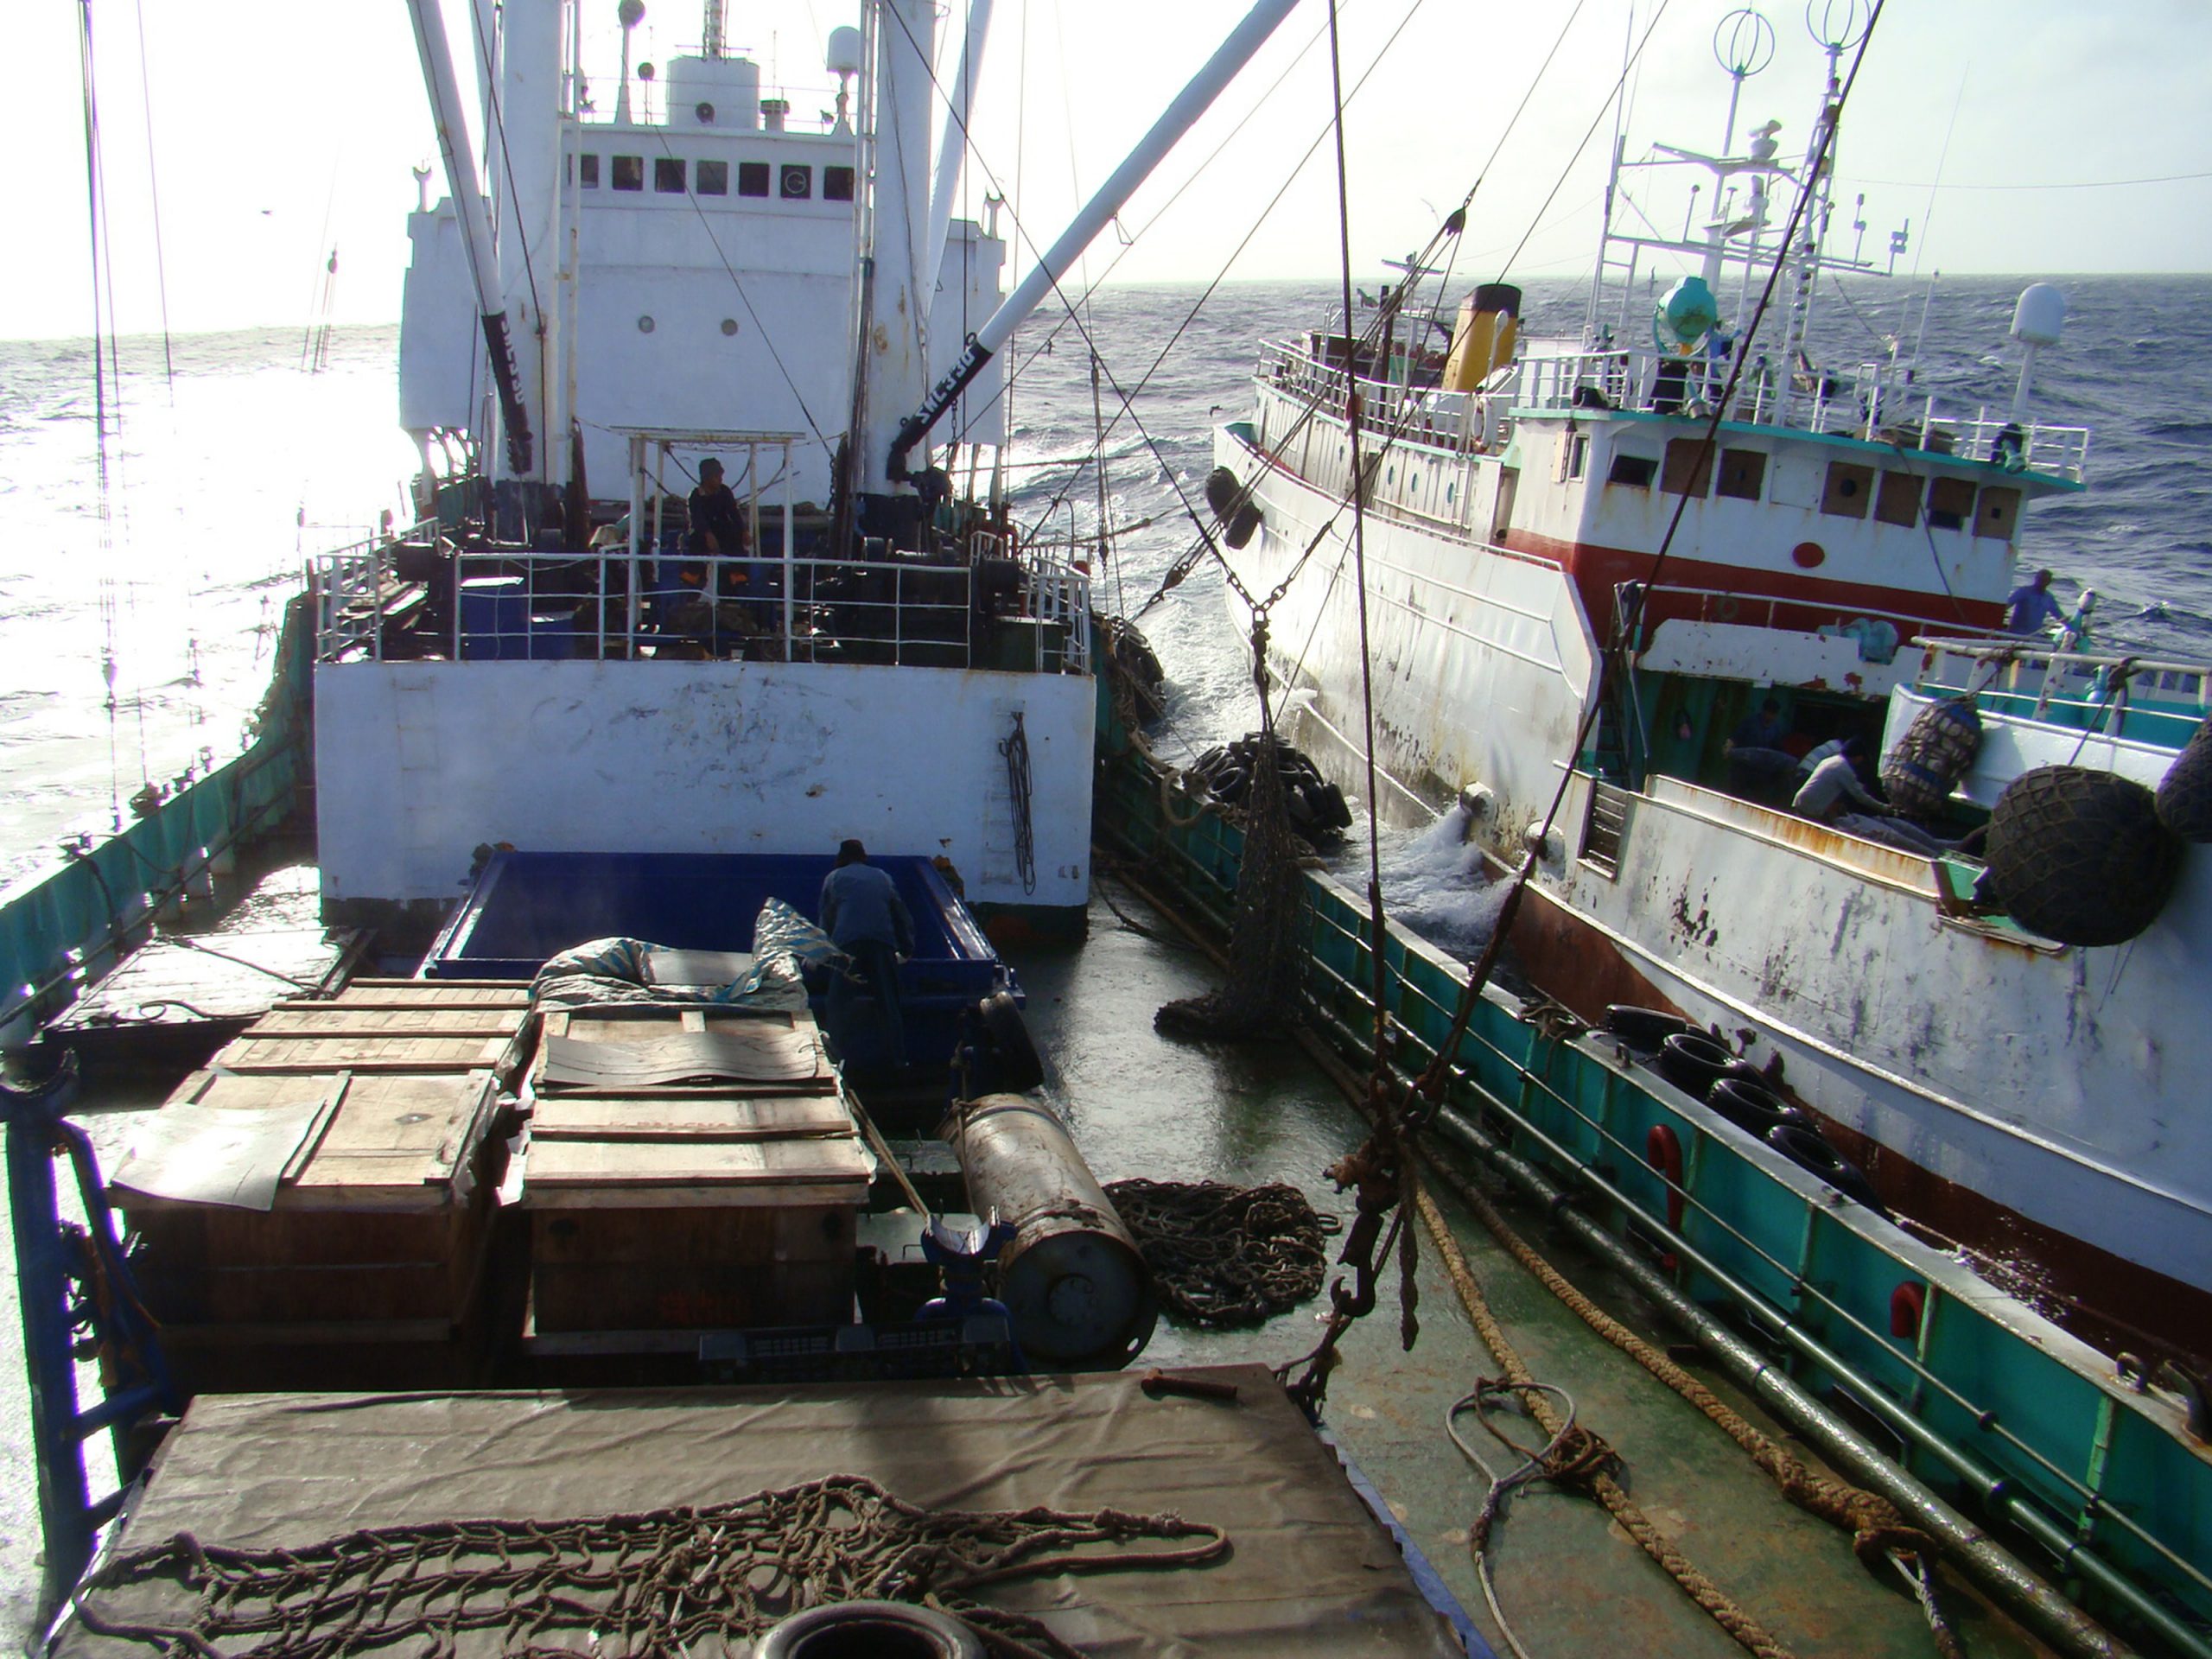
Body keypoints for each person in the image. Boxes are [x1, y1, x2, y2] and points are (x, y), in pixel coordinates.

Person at [818, 839, 914, 1065]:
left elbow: (826, 919)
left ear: (841, 857)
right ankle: (898, 1061)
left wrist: (823, 952)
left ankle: (836, 1060)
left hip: (848, 946)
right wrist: (906, 950)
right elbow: (901, 915)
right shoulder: (883, 877)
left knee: (837, 1003)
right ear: (864, 856)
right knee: (889, 1003)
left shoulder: (834, 879)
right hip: (882, 944)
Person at [1791, 739, 1958, 857]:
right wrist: (1885, 809)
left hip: (1801, 804)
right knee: (1889, 835)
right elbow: (1861, 797)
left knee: (1895, 829)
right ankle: (1935, 854)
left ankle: (1940, 849)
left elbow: (1826, 789)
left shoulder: (1830, 761)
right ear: (1857, 757)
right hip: (1813, 812)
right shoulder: (1843, 769)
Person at [1723, 696, 1796, 798]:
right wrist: (1728, 749)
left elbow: (1778, 750)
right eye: (1769, 713)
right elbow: (1734, 738)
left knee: (1757, 798)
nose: (1771, 717)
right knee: (1737, 795)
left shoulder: (1776, 729)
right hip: (1743, 768)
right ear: (1764, 711)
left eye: (1774, 714)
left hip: (1761, 773)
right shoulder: (1750, 722)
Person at [2005, 569, 2063, 636]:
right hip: (2016, 633)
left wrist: (2072, 628)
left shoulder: (2048, 598)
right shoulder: (2024, 592)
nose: (2041, 582)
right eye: (2040, 579)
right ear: (2036, 579)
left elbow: (2060, 616)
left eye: (2045, 580)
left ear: (2049, 582)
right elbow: (2007, 605)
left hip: (2034, 636)